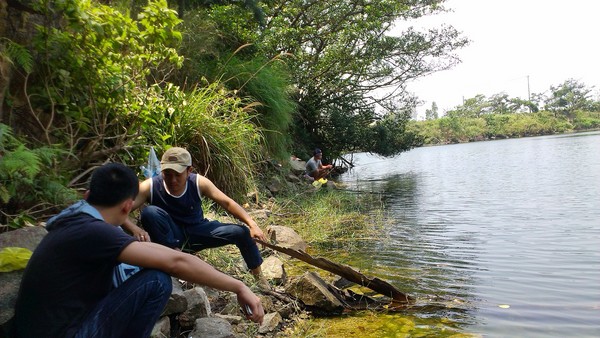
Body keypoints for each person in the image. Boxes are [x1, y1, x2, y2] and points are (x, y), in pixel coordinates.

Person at [12, 163, 264, 338]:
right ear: (127, 207)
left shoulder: (73, 218)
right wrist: (239, 287)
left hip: (39, 328)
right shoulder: (96, 232)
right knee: (156, 280)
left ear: (87, 194)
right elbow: (176, 262)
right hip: (66, 333)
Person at [121, 147, 269, 286]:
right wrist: (135, 229)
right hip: (170, 239)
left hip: (198, 231)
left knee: (242, 232)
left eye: (178, 175)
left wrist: (252, 224)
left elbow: (227, 203)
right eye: (168, 174)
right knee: (150, 212)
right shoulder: (150, 186)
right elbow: (120, 211)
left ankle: (259, 277)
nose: (172, 180)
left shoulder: (199, 183)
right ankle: (176, 257)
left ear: (189, 171)